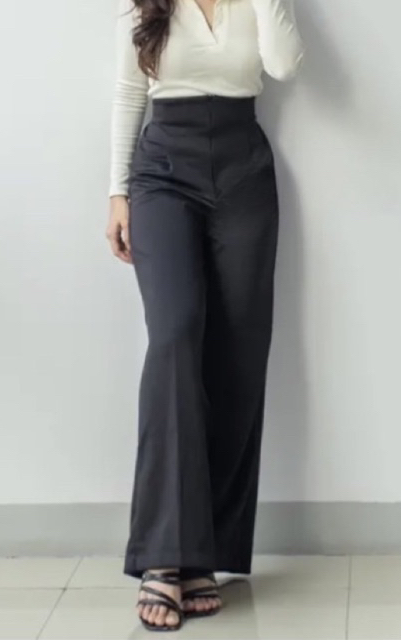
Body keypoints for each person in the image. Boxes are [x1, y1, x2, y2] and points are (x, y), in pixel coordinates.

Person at [106, 0, 304, 631]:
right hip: (163, 170)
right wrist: (117, 192)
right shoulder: (147, 5)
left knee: (238, 353)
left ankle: (204, 554)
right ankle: (164, 555)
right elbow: (128, 91)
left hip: (245, 170)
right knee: (174, 336)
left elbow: (284, 65)